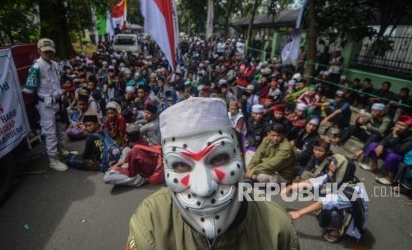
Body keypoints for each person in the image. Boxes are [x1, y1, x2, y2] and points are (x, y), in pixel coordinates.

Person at [127, 98, 299, 249]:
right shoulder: (150, 221)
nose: (204, 188)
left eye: (220, 159)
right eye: (180, 165)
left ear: (239, 154)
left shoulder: (278, 228)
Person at [283, 140, 368, 244]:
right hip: (339, 203)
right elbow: (314, 181)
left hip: (353, 221)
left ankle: (336, 232)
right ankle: (330, 220)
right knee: (321, 188)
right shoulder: (342, 177)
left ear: (341, 171)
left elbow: (325, 202)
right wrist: (291, 187)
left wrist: (299, 212)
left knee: (330, 210)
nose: (329, 173)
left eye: (332, 171)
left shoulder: (351, 191)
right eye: (330, 170)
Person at [24, 38, 69, 171]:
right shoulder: (36, 67)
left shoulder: (55, 64)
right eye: (46, 51)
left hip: (58, 101)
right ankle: (53, 159)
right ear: (39, 51)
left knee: (60, 127)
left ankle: (61, 149)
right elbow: (28, 89)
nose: (49, 54)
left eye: (51, 51)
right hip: (46, 104)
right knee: (50, 132)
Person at [360, 115, 412, 185]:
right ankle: (374, 167)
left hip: (401, 158)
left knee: (393, 156)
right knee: (374, 145)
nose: (398, 126)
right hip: (390, 152)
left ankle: (390, 179)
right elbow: (385, 140)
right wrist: (381, 145)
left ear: (409, 128)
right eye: (398, 124)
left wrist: (395, 136)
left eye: (402, 125)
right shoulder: (395, 131)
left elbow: (399, 151)